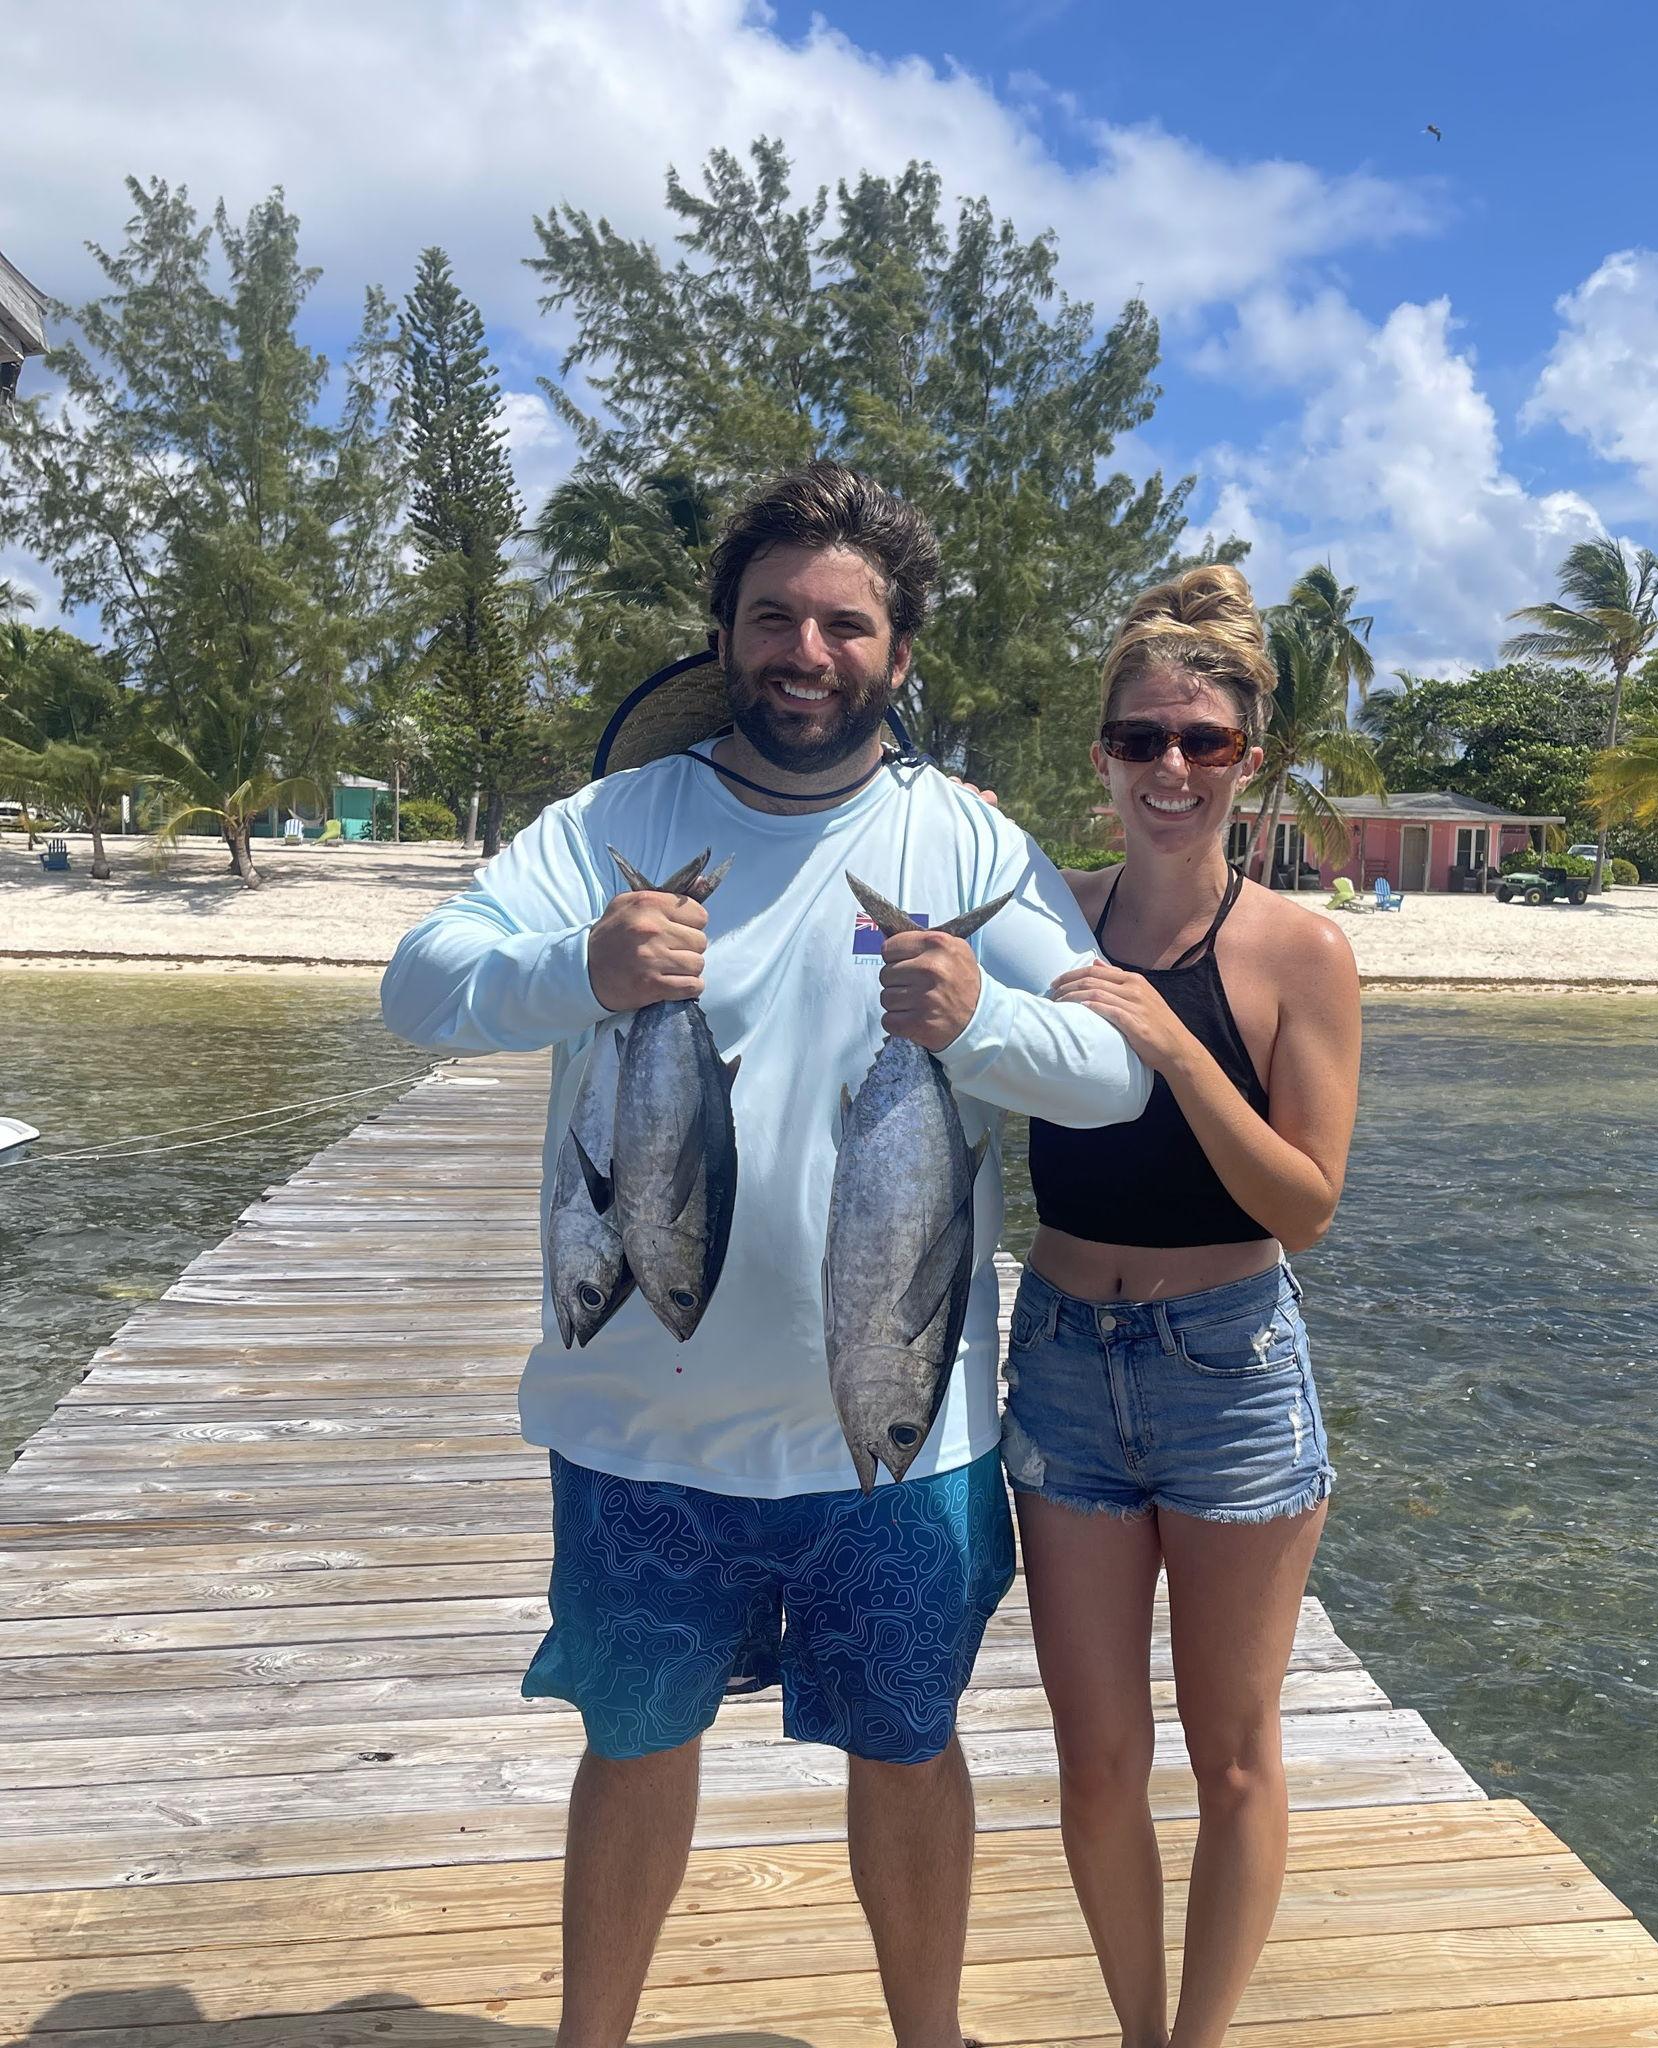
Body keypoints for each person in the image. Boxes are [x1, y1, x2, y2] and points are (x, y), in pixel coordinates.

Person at [380, 463, 1150, 2048]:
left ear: (901, 653)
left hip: (897, 1439)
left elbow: (1114, 1070)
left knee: (910, 1746)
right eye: (774, 616)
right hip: (639, 1431)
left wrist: (981, 1018)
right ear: (725, 634)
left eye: (845, 623)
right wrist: (576, 965)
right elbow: (418, 985)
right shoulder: (612, 826)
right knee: (635, 1742)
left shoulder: (966, 843)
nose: (808, 650)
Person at [1006, 563, 1362, 2048]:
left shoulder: (1299, 952)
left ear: (1248, 762)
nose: (1169, 767)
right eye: (1141, 738)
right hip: (1064, 1363)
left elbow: (1308, 1205)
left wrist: (1172, 1042)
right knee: (1096, 1759)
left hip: (1228, 1368)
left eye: (1201, 742)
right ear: (1102, 754)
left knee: (1231, 1754)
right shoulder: (1042, 919)